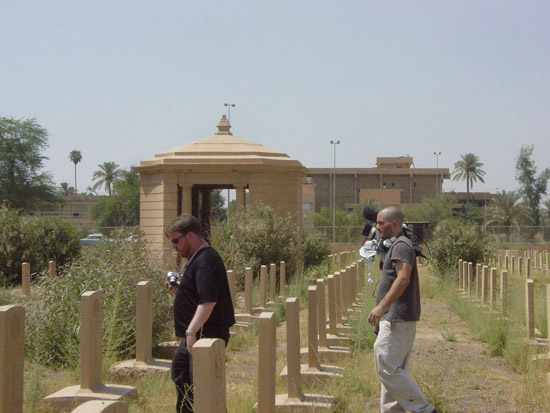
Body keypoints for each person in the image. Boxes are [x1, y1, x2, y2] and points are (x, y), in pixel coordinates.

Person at [368, 207, 436, 413]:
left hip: (397, 317)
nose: (377, 227)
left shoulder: (400, 246)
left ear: (395, 223)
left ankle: (423, 409)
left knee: (386, 364)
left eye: (381, 223)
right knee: (394, 369)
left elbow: (403, 278)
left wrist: (381, 307)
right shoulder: (398, 245)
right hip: (396, 317)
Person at [165, 214, 235, 413]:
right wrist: (180, 291)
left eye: (176, 241)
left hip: (204, 334)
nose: (174, 247)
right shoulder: (201, 258)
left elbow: (208, 301)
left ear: (190, 236)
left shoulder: (204, 260)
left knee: (194, 384)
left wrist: (191, 332)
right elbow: (200, 296)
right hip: (200, 333)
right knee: (184, 377)